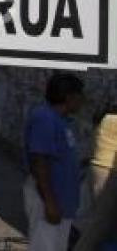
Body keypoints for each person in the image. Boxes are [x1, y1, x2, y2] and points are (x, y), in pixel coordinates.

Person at [23, 73, 85, 251]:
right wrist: (49, 202)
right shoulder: (45, 119)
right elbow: (39, 161)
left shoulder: (62, 121)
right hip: (49, 200)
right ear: (69, 97)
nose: (83, 101)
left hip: (62, 203)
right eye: (80, 95)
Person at [75, 104, 117, 251]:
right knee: (101, 223)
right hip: (108, 172)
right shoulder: (113, 121)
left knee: (100, 223)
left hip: (101, 169)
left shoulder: (108, 119)